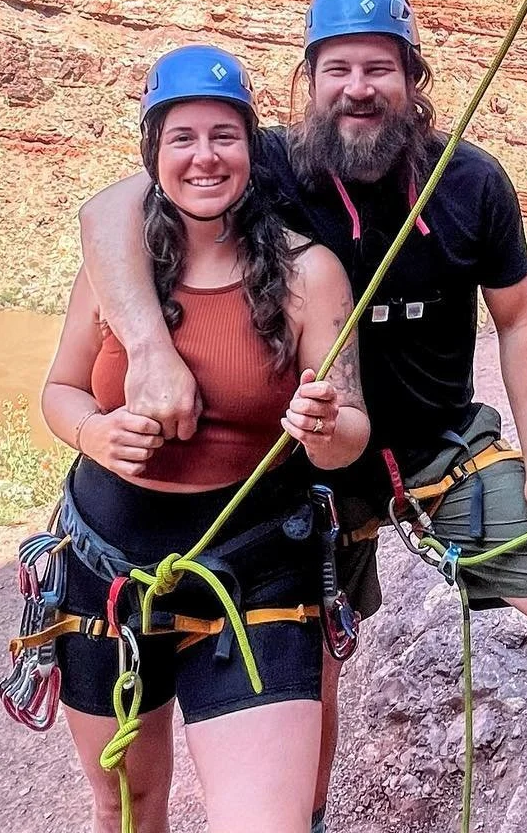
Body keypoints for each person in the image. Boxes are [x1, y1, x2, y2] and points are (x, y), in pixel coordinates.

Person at [79, 0, 527, 833]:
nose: (357, 89)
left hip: (434, 450)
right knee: (313, 679)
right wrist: (151, 353)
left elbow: (519, 318)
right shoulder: (266, 163)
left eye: (378, 68)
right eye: (337, 68)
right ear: (310, 81)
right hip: (300, 477)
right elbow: (115, 205)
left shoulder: (470, 184)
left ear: (412, 80)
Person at [41, 44, 369, 833]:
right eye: (181, 137)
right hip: (106, 571)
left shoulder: (309, 273)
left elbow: (351, 429)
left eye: (224, 135)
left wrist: (323, 431)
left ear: (252, 150)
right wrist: (93, 432)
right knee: (126, 805)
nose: (204, 156)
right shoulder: (113, 269)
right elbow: (59, 390)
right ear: (151, 151)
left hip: (255, 569)